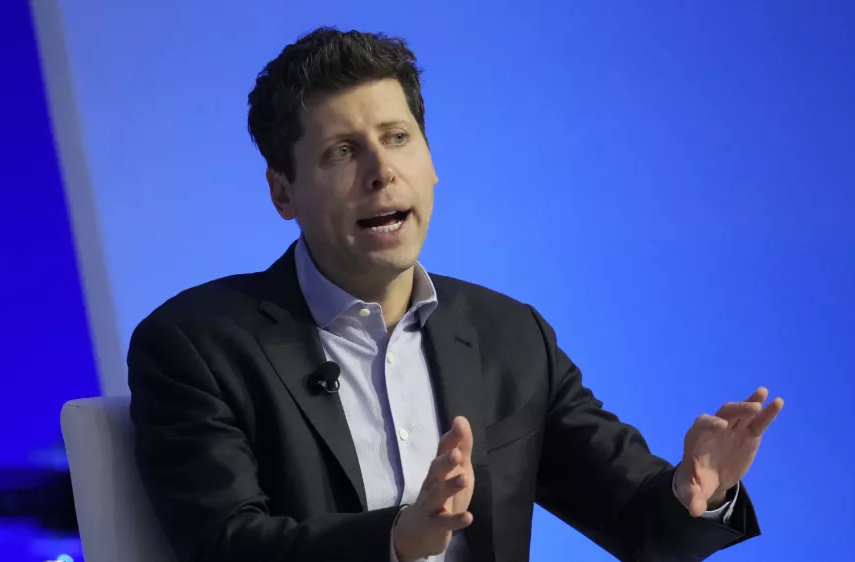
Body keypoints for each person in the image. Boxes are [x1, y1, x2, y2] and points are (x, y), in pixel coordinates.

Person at [128, 27, 783, 562]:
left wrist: (699, 491)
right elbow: (224, 546)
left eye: (397, 138)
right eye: (341, 152)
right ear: (282, 192)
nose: (382, 172)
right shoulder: (198, 345)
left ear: (431, 161)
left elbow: (641, 528)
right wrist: (396, 541)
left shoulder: (509, 335)